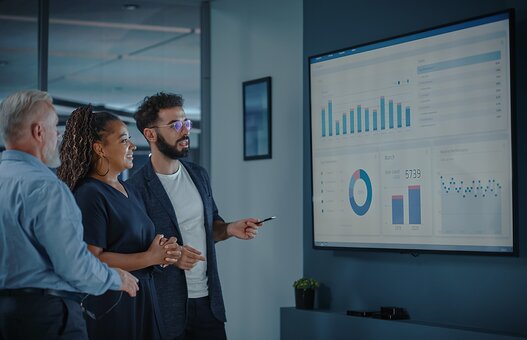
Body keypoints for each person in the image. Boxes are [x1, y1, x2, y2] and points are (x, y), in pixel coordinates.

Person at [0, 90, 139, 340]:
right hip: (46, 318)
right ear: (38, 132)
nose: (58, 135)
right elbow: (73, 266)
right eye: (55, 127)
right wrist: (114, 278)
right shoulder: (46, 187)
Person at [127, 92, 262, 340]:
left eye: (186, 123)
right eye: (175, 125)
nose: (185, 131)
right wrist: (172, 257)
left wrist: (229, 228)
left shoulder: (198, 174)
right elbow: (136, 252)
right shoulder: (135, 189)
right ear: (150, 134)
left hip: (208, 304)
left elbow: (211, 226)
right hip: (165, 309)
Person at [56, 105, 183, 340]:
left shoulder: (127, 189)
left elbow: (134, 244)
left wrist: (163, 252)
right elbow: (91, 259)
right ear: (99, 148)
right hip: (114, 306)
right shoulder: (89, 195)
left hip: (143, 298)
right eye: (124, 140)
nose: (133, 146)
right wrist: (149, 257)